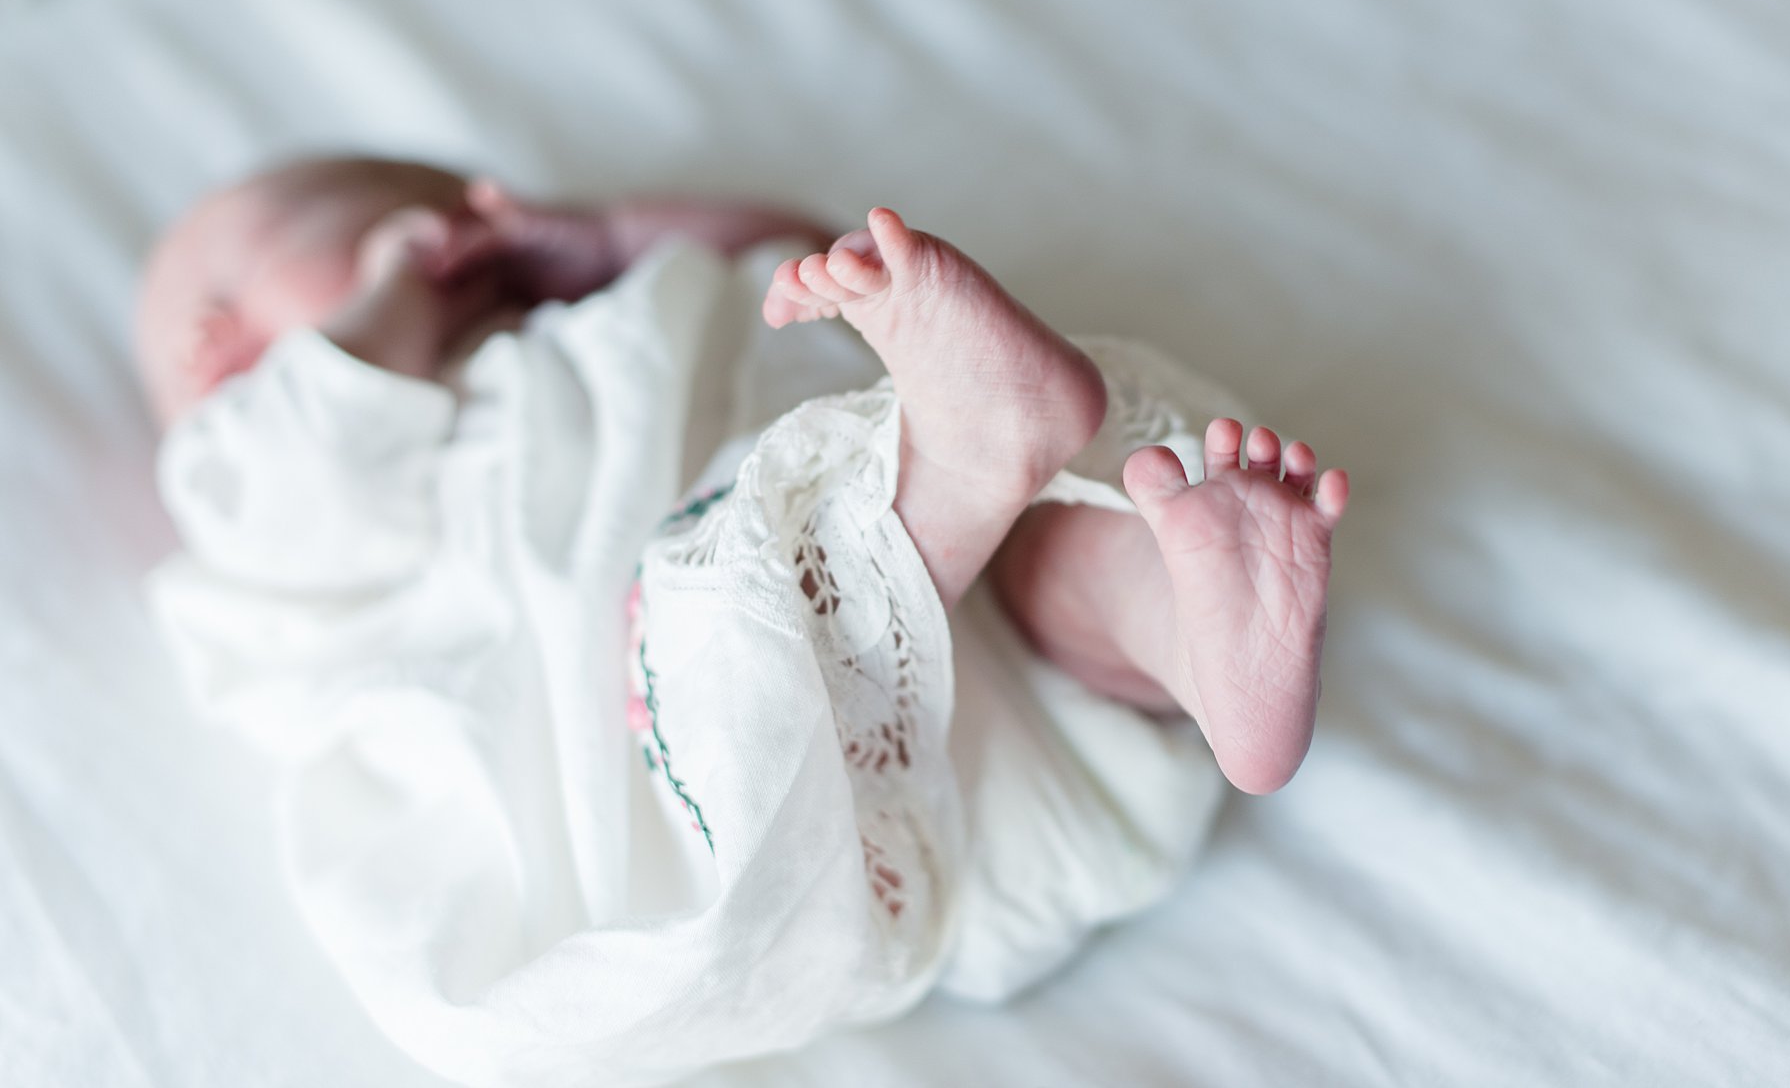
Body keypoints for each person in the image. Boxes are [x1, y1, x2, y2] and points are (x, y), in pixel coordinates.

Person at [140, 155, 1348, 1086]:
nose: (207, 342)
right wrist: (389, 285)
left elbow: (782, 252)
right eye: (204, 334)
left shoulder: (605, 311)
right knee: (766, 579)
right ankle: (996, 488)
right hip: (754, 756)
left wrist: (609, 237)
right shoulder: (275, 481)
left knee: (1057, 536)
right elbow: (303, 472)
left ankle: (1185, 633)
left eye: (235, 278)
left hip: (977, 690)